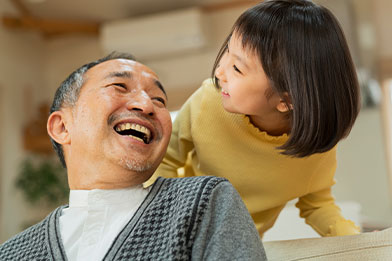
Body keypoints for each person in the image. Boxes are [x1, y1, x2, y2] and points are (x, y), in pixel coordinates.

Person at [0, 53, 267, 260]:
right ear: (62, 126)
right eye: (119, 86)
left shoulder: (204, 200)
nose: (146, 105)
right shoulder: (12, 254)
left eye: (160, 99)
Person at [146, 0, 361, 238]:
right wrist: (163, 222)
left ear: (287, 100)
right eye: (227, 51)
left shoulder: (314, 145)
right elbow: (164, 160)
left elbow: (317, 205)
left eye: (237, 68)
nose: (219, 72)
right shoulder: (207, 102)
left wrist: (354, 239)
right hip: (184, 225)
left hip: (243, 243)